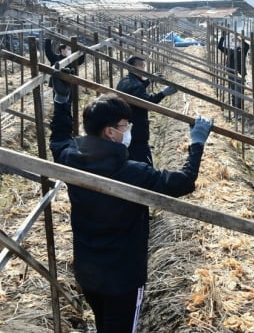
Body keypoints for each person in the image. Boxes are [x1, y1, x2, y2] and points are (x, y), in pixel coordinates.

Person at [48, 77, 213, 333]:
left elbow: (58, 140)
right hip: (123, 277)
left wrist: (61, 102)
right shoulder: (132, 172)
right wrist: (197, 143)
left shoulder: (71, 159)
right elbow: (182, 182)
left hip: (88, 271)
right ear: (110, 132)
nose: (129, 130)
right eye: (125, 125)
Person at [116, 56, 178, 165]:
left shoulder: (124, 81)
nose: (145, 69)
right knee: (144, 162)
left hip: (125, 127)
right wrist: (163, 93)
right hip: (137, 130)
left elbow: (135, 89)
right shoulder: (136, 85)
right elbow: (147, 102)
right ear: (134, 68)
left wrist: (150, 80)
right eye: (142, 66)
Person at [217, 31, 249, 112]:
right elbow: (220, 46)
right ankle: (235, 109)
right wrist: (223, 37)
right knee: (233, 92)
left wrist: (240, 38)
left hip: (240, 74)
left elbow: (247, 45)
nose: (234, 43)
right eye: (233, 41)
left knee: (239, 92)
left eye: (236, 41)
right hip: (231, 73)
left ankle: (239, 110)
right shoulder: (230, 51)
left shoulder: (242, 51)